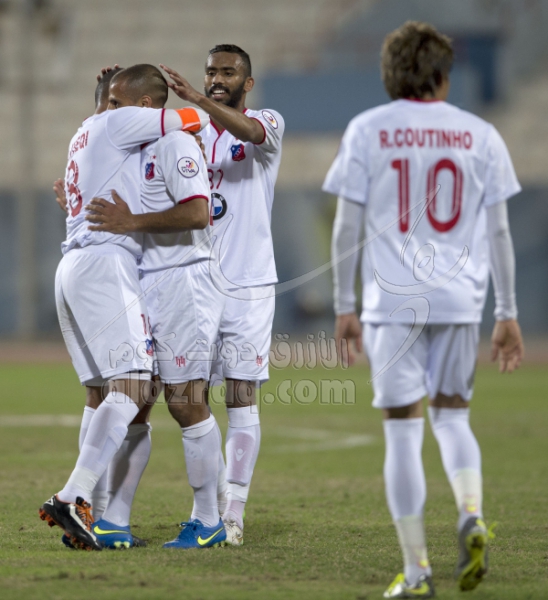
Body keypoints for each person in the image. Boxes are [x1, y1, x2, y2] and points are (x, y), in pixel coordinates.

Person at [323, 21, 524, 598]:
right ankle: (471, 512)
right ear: (444, 74)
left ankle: (416, 573)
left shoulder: (368, 130)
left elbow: (346, 227)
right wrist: (506, 312)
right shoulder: (480, 134)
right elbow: (500, 232)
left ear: (390, 73)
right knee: (454, 418)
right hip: (460, 300)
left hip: (393, 304)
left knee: (402, 432)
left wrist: (343, 305)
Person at [39, 64, 208, 551]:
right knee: (135, 385)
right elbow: (194, 119)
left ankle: (89, 515)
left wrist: (105, 101)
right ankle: (74, 496)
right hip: (103, 264)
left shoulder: (86, 130)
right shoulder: (121, 122)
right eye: (111, 102)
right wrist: (189, 104)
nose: (113, 110)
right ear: (144, 106)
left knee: (100, 395)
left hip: (71, 267)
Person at [84, 63, 228, 549]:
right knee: (135, 399)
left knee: (185, 401)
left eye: (116, 103)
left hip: (184, 279)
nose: (109, 112)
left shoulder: (175, 144)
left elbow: (198, 212)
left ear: (146, 106)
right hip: (142, 280)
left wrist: (132, 222)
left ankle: (208, 520)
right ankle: (113, 521)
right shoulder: (132, 146)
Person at [160, 44, 284, 545]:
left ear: (247, 83)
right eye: (211, 71)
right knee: (189, 397)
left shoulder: (267, 121)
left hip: (249, 284)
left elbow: (250, 134)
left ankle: (233, 514)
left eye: (227, 72)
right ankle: (207, 510)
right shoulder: (188, 133)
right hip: (194, 282)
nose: (216, 79)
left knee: (241, 397)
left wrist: (196, 100)